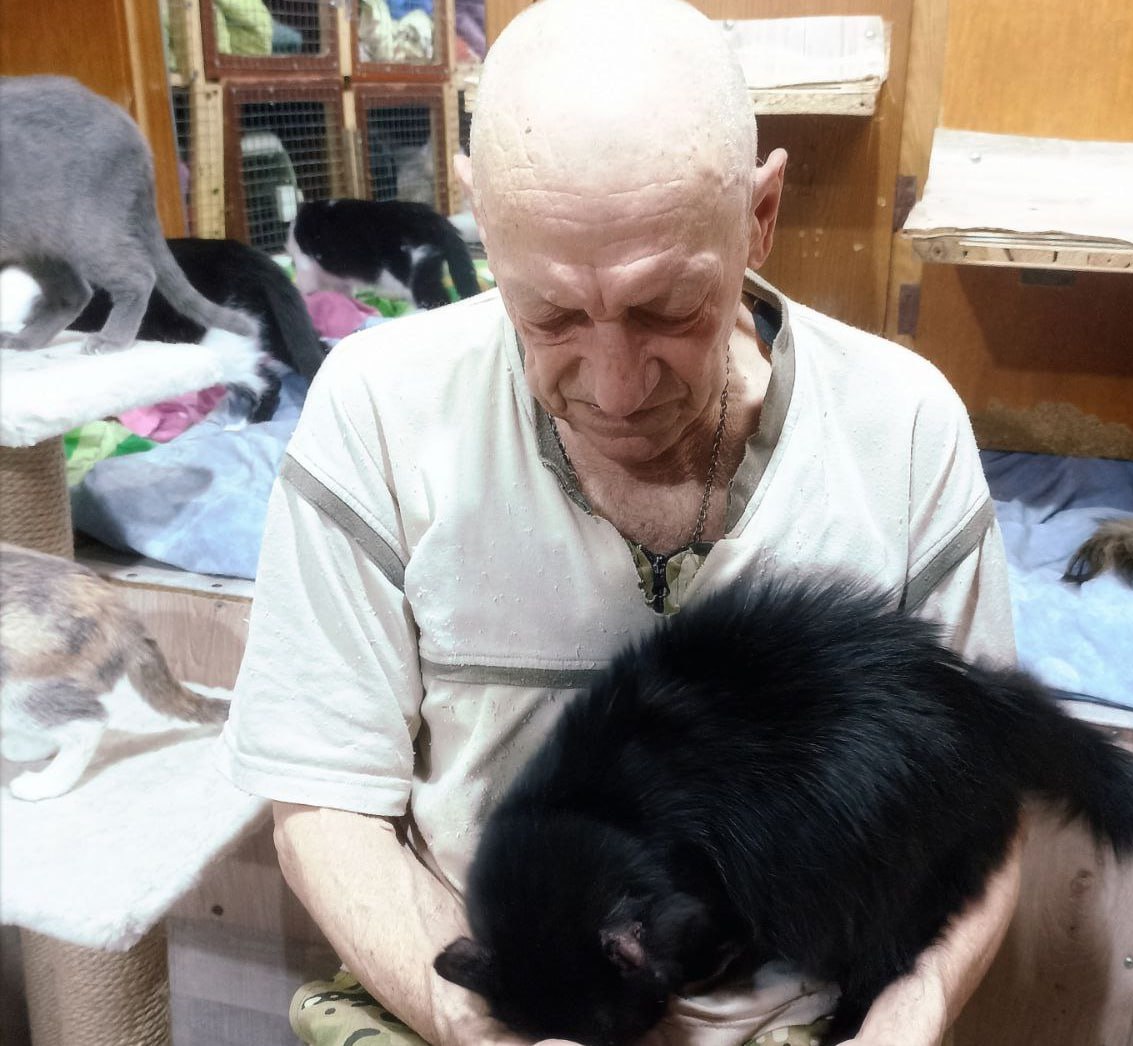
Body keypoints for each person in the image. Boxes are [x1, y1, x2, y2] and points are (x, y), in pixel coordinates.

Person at [219, 0, 1024, 1043]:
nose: (613, 386)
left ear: (760, 214)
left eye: (666, 309)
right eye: (550, 314)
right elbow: (321, 800)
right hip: (475, 992)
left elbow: (980, 804)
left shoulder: (902, 427)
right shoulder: (375, 407)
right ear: (477, 220)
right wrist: (476, 1025)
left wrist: (909, 1012)